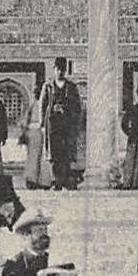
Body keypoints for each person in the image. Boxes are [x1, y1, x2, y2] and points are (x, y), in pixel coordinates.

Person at [40, 58, 81, 190]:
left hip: (67, 126)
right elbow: (43, 105)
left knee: (66, 154)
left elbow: (77, 107)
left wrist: (68, 113)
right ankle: (56, 181)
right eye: (58, 69)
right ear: (54, 70)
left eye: (62, 70)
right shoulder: (48, 87)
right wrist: (42, 123)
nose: (60, 72)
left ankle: (66, 181)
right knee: (55, 154)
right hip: (53, 126)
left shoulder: (71, 87)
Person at [21, 80, 53, 190]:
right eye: (35, 92)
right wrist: (24, 133)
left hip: (44, 133)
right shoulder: (32, 105)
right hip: (33, 134)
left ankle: (44, 181)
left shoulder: (45, 106)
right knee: (33, 158)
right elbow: (25, 121)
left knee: (44, 158)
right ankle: (31, 180)